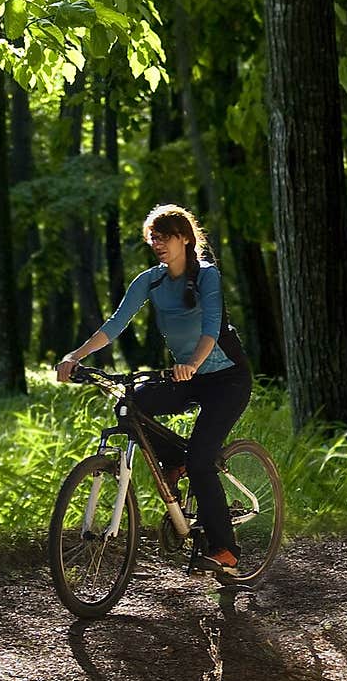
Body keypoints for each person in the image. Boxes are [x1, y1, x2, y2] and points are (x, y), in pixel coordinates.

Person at [55, 203, 252, 574]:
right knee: (131, 406)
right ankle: (174, 461)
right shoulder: (150, 280)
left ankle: (226, 549)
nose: (157, 243)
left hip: (226, 379)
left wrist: (192, 364)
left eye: (165, 237)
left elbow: (211, 328)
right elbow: (115, 325)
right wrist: (75, 356)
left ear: (185, 239)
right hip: (185, 374)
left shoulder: (207, 276)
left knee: (201, 459)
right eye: (153, 238)